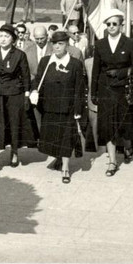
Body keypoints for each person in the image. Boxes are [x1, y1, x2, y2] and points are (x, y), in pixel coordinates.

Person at [91, 9, 133, 175]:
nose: (111, 27)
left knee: (123, 126)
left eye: (115, 24)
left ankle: (128, 146)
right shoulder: (100, 45)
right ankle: (112, 161)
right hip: (105, 90)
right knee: (107, 126)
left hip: (123, 90)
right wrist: (94, 93)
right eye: (108, 24)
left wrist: (120, 73)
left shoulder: (130, 43)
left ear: (121, 25)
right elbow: (95, 70)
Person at [32, 30, 87, 183]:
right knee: (53, 137)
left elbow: (79, 89)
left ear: (67, 45)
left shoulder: (75, 64)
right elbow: (38, 81)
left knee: (66, 139)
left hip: (67, 109)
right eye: (54, 43)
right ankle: (58, 159)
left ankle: (66, 168)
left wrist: (78, 109)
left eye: (61, 44)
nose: (57, 47)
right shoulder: (45, 61)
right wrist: (34, 91)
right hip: (49, 107)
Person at [0, 24, 33, 172]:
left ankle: (14, 152)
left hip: (14, 94)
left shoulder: (19, 55)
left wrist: (27, 95)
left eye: (7, 36)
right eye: (1, 36)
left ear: (13, 39)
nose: (3, 39)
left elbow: (26, 76)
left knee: (13, 124)